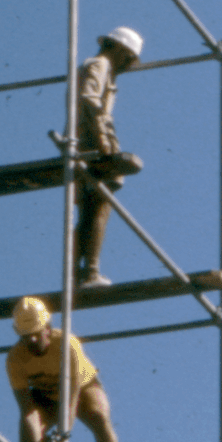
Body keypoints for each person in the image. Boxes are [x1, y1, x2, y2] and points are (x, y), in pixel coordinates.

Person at [5, 295, 130, 442]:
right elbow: (28, 410)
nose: (31, 341)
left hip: (81, 389)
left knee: (100, 418)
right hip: (46, 397)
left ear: (47, 328)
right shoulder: (15, 359)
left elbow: (71, 399)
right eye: (25, 337)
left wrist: (62, 437)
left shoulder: (67, 345)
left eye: (35, 334)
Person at [75, 26, 142, 289]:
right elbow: (89, 99)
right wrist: (103, 139)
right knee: (100, 207)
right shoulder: (100, 64)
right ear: (119, 49)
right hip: (91, 144)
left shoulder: (105, 70)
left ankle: (81, 272)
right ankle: (89, 272)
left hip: (90, 142)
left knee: (91, 211)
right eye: (127, 57)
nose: (127, 64)